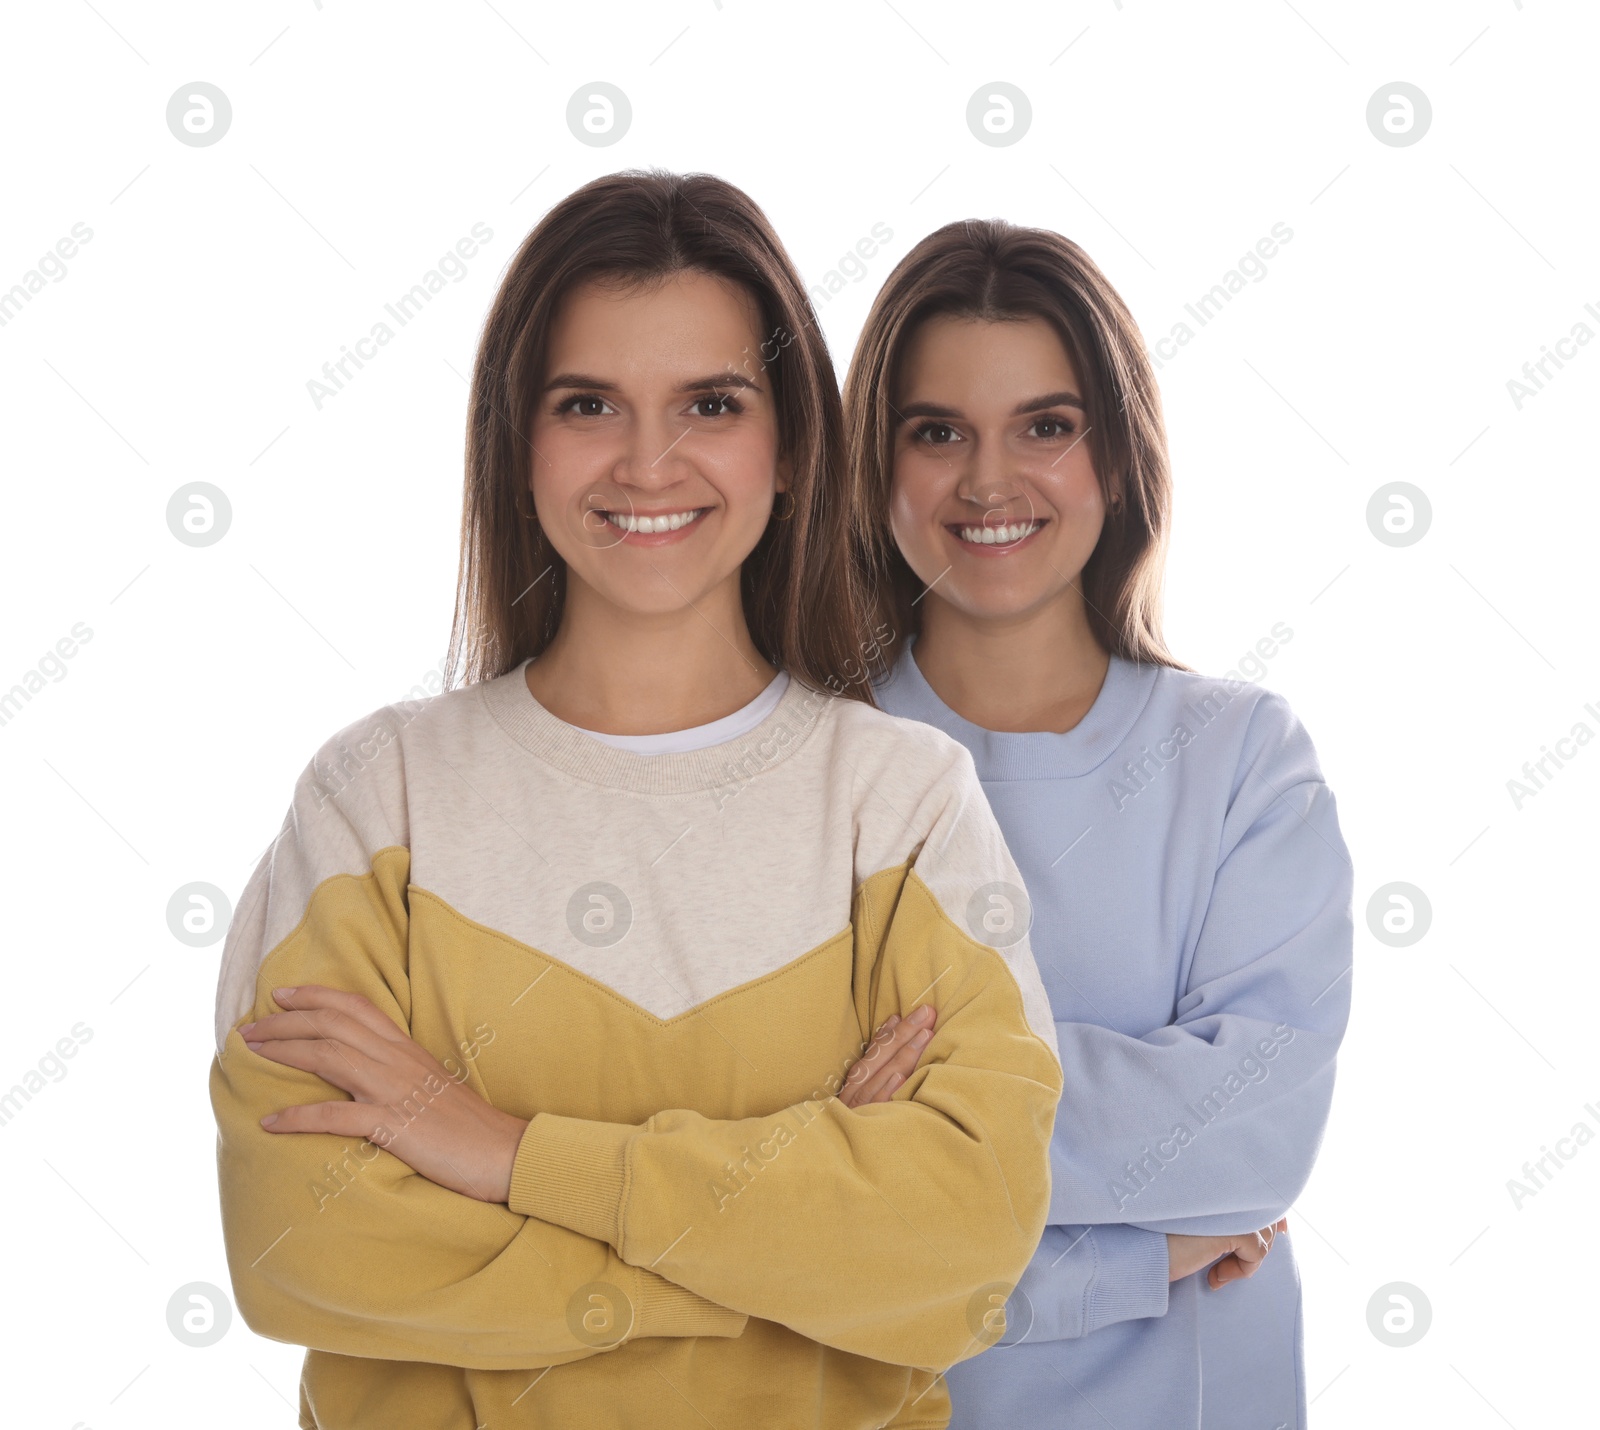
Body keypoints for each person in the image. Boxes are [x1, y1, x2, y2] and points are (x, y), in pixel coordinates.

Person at [207, 172, 1063, 1430]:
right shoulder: (375, 797)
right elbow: (298, 1243)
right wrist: (791, 1259)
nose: (647, 460)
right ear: (522, 442)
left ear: (787, 449)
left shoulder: (903, 803)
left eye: (710, 402)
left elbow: (968, 1238)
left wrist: (502, 1153)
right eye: (587, 402)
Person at [838, 218, 1353, 1429]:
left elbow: (1256, 1138)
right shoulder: (810, 766)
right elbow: (783, 1200)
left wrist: (918, 1118)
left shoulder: (1242, 760)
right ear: (876, 465)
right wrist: (1135, 1249)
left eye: (1046, 426)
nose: (987, 479)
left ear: (1115, 458)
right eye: (935, 431)